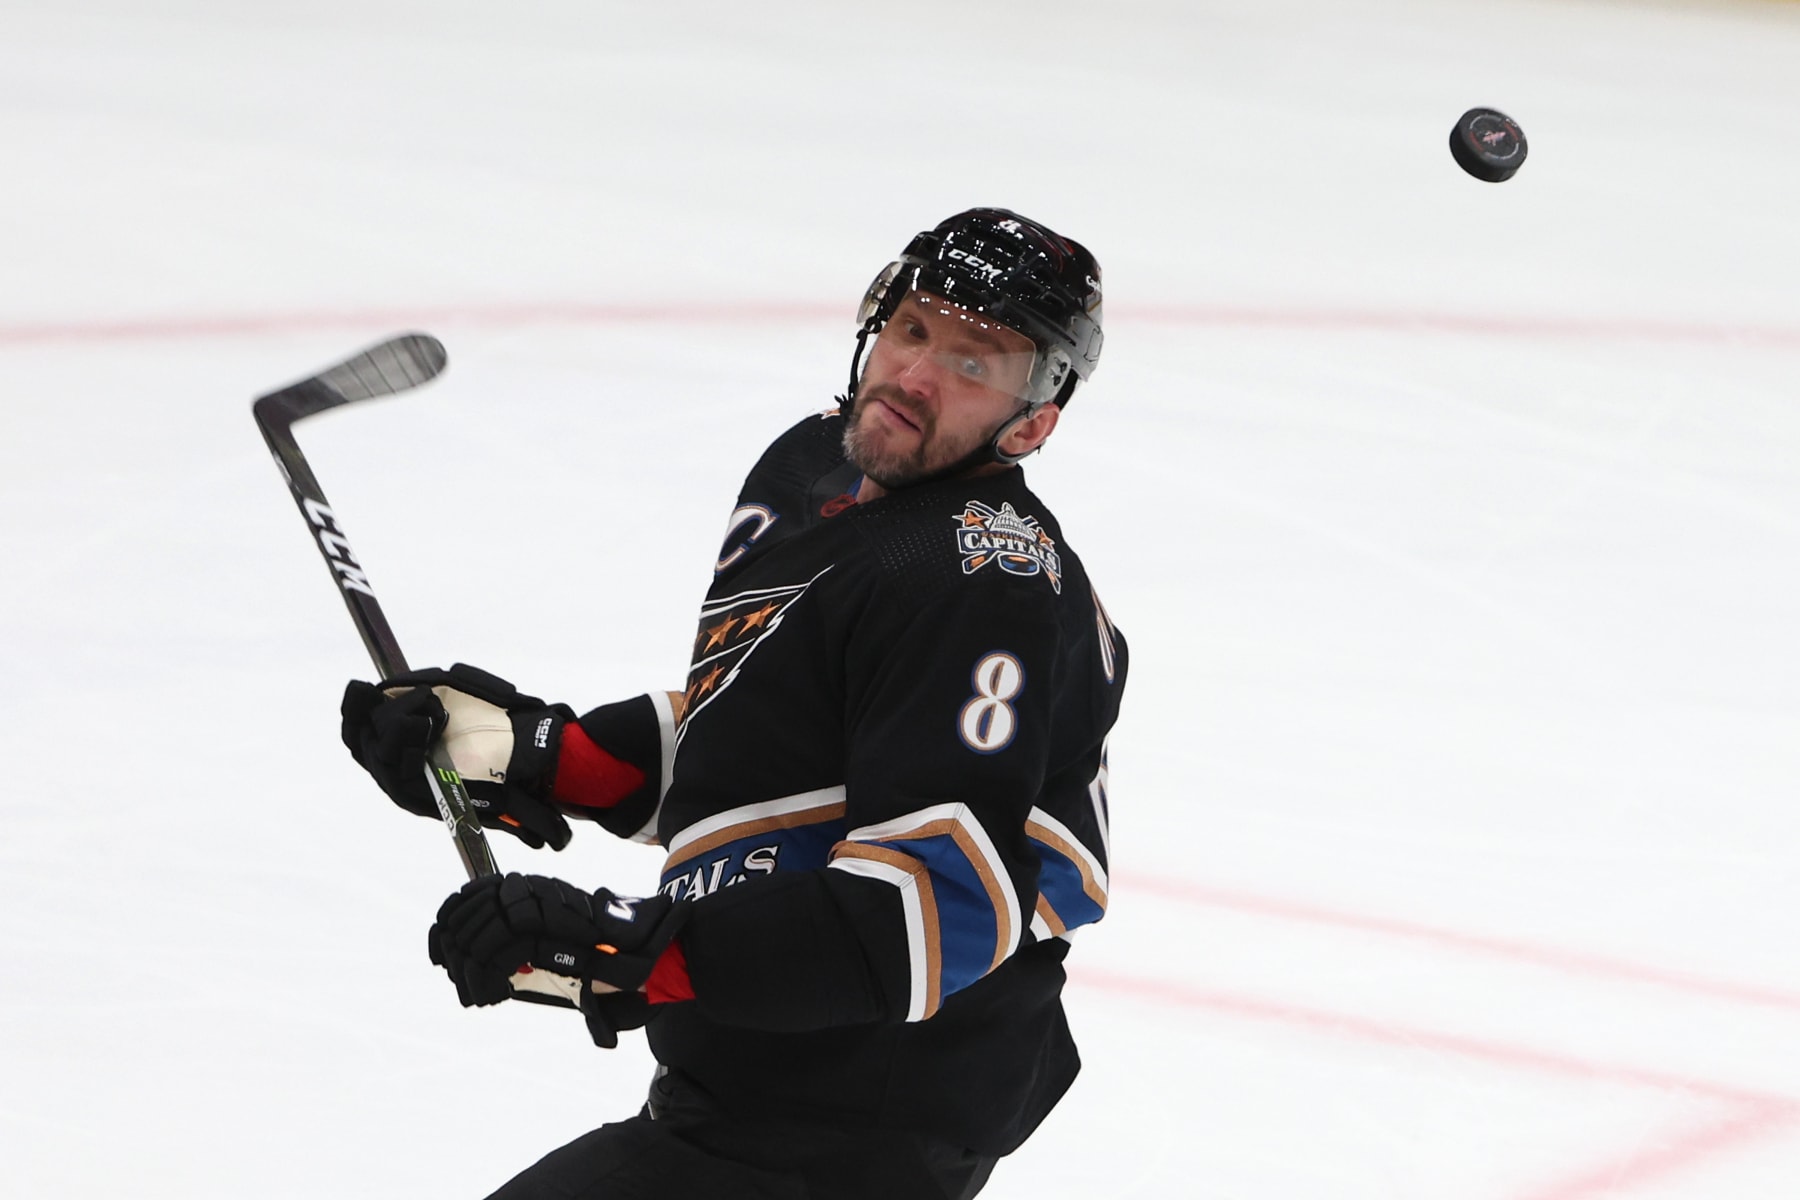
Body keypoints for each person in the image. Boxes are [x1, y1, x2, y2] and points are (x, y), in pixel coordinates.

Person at [341, 208, 1128, 1199]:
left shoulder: (982, 580)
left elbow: (935, 910)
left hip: (856, 1123)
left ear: (1035, 419)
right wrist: (530, 752)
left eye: (974, 364)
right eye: (914, 329)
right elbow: (768, 744)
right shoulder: (817, 472)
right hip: (753, 1093)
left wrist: (637, 947)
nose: (915, 375)